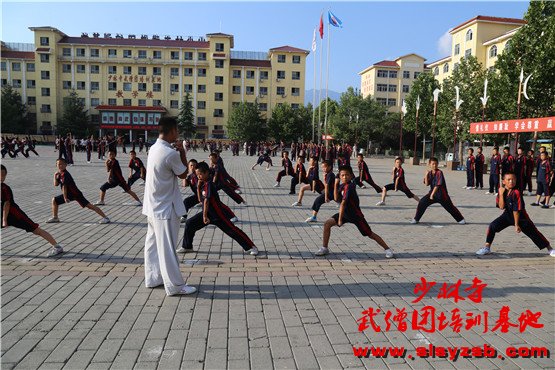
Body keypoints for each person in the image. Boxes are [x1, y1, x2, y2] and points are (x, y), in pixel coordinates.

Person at [142, 116, 197, 296]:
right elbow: (183, 175)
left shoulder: (154, 148)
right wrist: (182, 151)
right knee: (167, 248)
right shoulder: (170, 153)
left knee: (152, 244)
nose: (178, 134)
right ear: (172, 130)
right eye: (177, 130)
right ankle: (175, 286)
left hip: (152, 205)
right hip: (165, 207)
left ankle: (153, 278)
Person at [315, 165, 393, 258]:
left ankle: (388, 249)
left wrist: (339, 220)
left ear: (351, 176)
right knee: (327, 224)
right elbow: (336, 199)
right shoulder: (341, 185)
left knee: (369, 234)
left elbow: (343, 203)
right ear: (339, 176)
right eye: (342, 175)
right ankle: (325, 248)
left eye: (347, 175)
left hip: (356, 215)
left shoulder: (350, 186)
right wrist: (336, 184)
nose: (345, 177)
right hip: (345, 213)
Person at [182, 162, 259, 256]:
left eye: (200, 174)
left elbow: (206, 201)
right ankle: (187, 246)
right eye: (197, 175)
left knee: (232, 230)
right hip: (208, 213)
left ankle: (251, 247)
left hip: (217, 214)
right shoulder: (202, 184)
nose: (199, 177)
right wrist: (198, 187)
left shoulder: (209, 184)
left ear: (207, 173)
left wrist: (205, 216)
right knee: (190, 224)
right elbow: (199, 200)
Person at [476, 172, 554, 257]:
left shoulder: (516, 192)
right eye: (508, 180)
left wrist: (516, 225)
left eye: (513, 179)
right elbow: (501, 207)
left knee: (534, 233)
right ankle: (487, 247)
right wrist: (501, 194)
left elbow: (516, 211)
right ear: (503, 181)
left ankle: (550, 249)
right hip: (507, 215)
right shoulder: (501, 190)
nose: (511, 181)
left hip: (521, 217)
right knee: (492, 226)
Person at [1, 165, 63, 257]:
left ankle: (57, 247)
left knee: (36, 230)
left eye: (3, 175)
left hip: (15, 215)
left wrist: (4, 220)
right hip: (2, 213)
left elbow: (7, 204)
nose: (1, 177)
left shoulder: (4, 188)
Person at [46, 159, 111, 224]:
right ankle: (55, 217)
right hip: (69, 194)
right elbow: (56, 184)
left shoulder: (65, 174)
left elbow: (64, 187)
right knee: (55, 200)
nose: (60, 166)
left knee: (90, 206)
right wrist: (55, 176)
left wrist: (65, 198)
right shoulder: (59, 174)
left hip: (75, 194)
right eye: (58, 164)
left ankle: (106, 218)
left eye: (62, 164)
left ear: (66, 165)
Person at [411, 157, 466, 225]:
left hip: (442, 195)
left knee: (450, 208)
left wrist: (432, 195)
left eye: (436, 164)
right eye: (433, 164)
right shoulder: (430, 173)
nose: (434, 165)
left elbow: (438, 185)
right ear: (429, 164)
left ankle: (460, 219)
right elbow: (427, 184)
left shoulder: (439, 172)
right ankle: (416, 219)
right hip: (432, 194)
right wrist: (426, 175)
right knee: (422, 202)